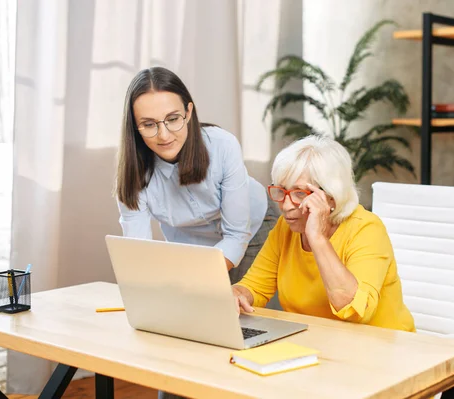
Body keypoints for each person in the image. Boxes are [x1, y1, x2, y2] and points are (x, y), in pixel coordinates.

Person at [232, 135, 415, 332]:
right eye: (282, 191)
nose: (285, 205)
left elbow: (355, 311)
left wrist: (317, 238)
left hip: (384, 347)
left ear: (331, 197)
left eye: (300, 193)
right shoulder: (285, 228)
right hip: (318, 342)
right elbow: (255, 286)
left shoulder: (367, 229)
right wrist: (237, 293)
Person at [115, 66, 277, 284]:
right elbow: (139, 254)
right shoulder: (132, 176)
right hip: (191, 242)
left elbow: (236, 236)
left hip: (252, 227)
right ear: (134, 126)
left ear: (188, 112)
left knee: (239, 310)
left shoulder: (222, 145)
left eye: (173, 119)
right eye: (149, 124)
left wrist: (192, 280)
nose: (164, 136)